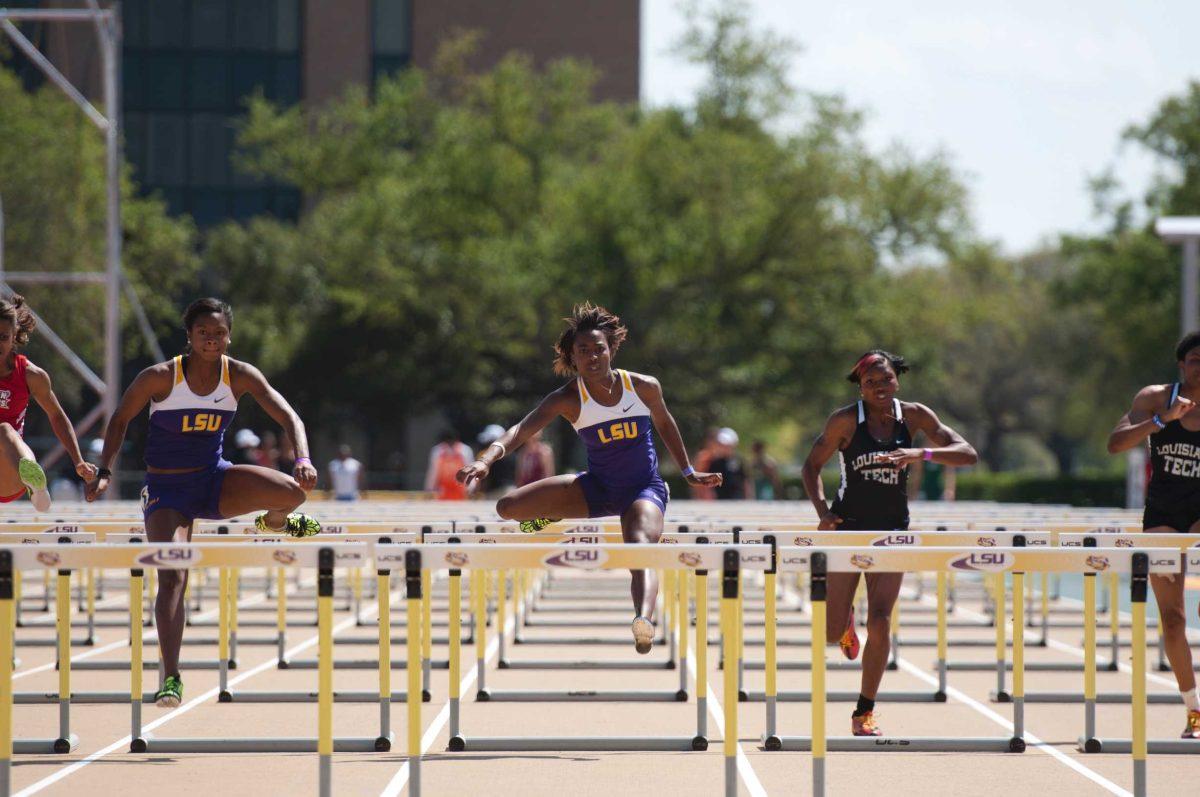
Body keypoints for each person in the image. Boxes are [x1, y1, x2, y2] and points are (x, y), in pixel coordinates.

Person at [85, 297, 320, 709]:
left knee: (293, 493)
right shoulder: (160, 377)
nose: (211, 340)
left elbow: (290, 418)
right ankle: (171, 676)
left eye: (219, 333)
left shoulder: (240, 376)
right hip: (167, 491)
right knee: (173, 573)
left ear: (229, 336)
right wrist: (105, 470)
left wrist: (302, 459)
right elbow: (120, 419)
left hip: (214, 481)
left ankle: (274, 523)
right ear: (190, 337)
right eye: (203, 333)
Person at [456, 303, 722, 653]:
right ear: (573, 357)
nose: (593, 357)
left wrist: (687, 470)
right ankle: (552, 513)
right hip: (597, 487)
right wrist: (486, 460)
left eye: (599, 349)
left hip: (642, 489)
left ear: (611, 349)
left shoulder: (642, 387)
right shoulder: (567, 399)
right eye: (583, 351)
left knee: (639, 546)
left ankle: (643, 619)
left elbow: (665, 423)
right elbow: (521, 429)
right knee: (507, 508)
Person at [801, 349, 977, 736]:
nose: (879, 388)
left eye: (886, 380)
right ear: (860, 387)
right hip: (849, 529)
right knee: (831, 634)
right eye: (870, 383)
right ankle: (844, 621)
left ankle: (864, 711)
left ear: (897, 379)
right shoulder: (845, 421)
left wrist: (922, 452)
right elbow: (811, 466)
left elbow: (967, 454)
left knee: (880, 620)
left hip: (893, 531)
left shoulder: (914, 416)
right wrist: (822, 512)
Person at [1107, 330, 1200, 739]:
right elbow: (1115, 444)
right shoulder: (1154, 398)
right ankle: (1194, 710)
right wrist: (1163, 421)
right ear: (1182, 365)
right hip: (1163, 513)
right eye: (1196, 360)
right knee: (1174, 617)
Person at [0, 293, 95, 511]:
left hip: (7, 474)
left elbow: (56, 415)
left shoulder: (30, 375)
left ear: (14, 336)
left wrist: (78, 460)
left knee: (4, 430)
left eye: (3, 337)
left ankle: (34, 481)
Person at [425, 430, 473, 500]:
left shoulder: (465, 450)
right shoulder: (437, 450)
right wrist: (429, 488)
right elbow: (433, 471)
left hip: (460, 490)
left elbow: (470, 469)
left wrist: (471, 486)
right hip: (443, 490)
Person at [709, 427, 752, 500]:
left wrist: (749, 497)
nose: (725, 447)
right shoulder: (715, 462)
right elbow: (710, 483)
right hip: (720, 500)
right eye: (722, 445)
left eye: (728, 445)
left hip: (738, 499)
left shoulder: (739, 460)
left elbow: (746, 480)